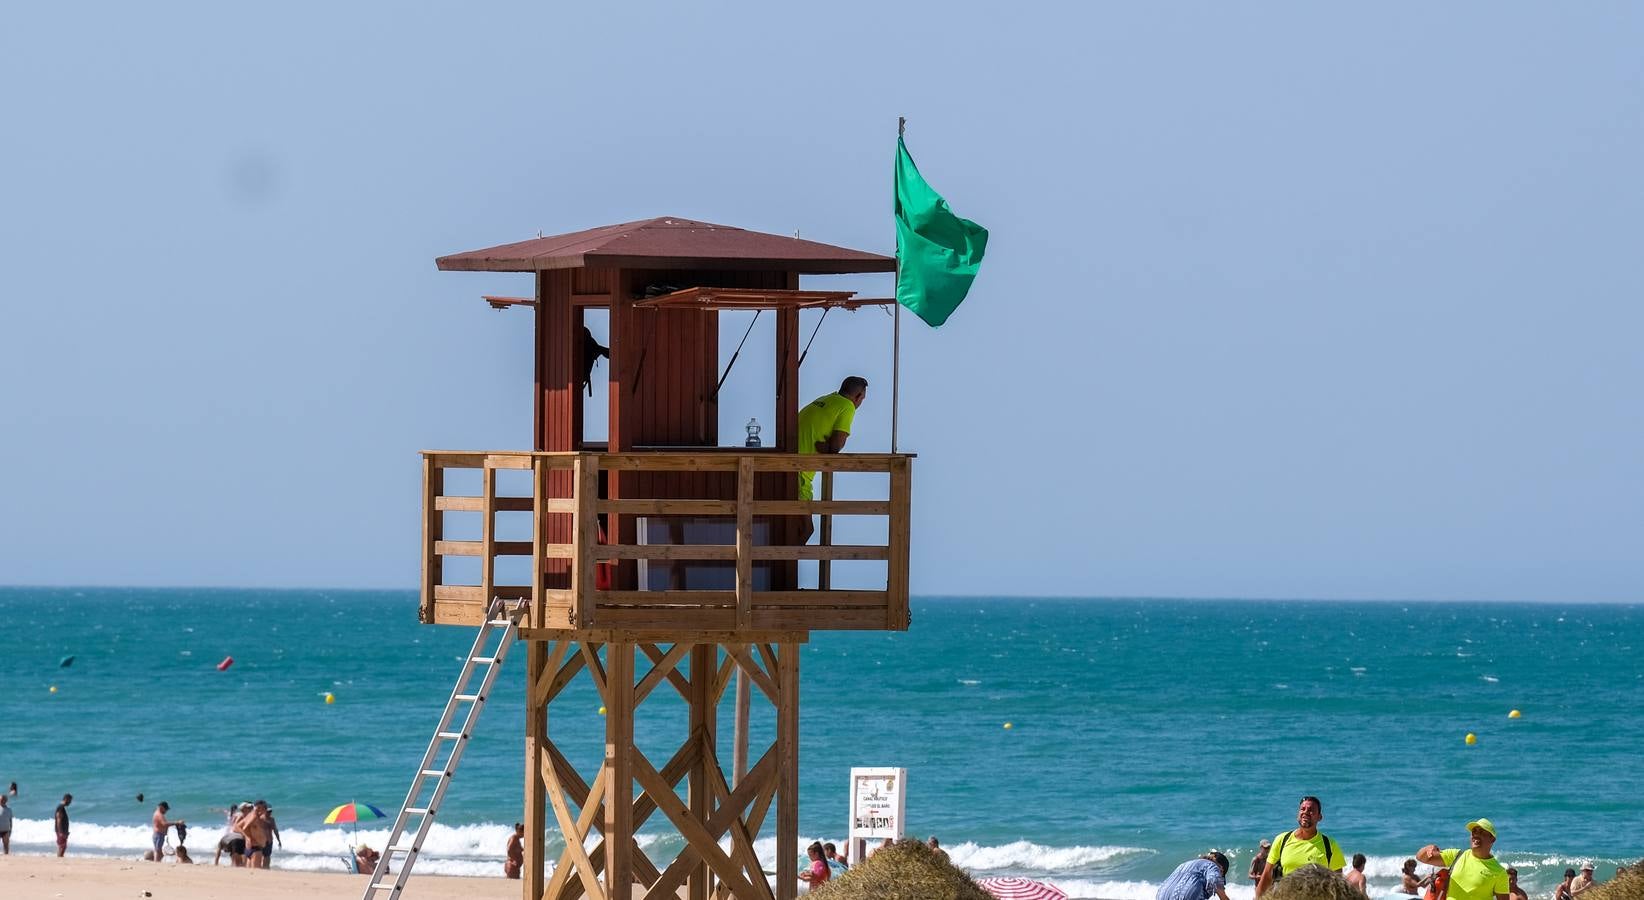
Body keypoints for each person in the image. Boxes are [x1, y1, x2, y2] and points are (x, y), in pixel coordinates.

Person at [795, 376, 868, 543]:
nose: (860, 403)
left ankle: (778, 564)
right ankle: (782, 568)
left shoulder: (825, 399)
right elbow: (835, 447)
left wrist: (825, 446)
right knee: (805, 530)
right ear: (857, 396)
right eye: (862, 398)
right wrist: (827, 446)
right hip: (799, 474)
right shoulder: (847, 406)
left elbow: (827, 445)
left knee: (792, 527)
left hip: (785, 465)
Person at [1255, 796, 1346, 898]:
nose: (1306, 812)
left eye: (1311, 810)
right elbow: (1267, 876)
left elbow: (1338, 884)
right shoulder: (1282, 840)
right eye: (1302, 809)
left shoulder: (1330, 845)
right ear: (1298, 814)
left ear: (1319, 817)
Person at [1416, 818, 1510, 900]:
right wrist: (1427, 848)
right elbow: (1421, 857)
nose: (1476, 835)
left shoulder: (1499, 872)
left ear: (1492, 839)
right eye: (1474, 831)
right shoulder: (1456, 856)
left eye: (1481, 832)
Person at [1157, 852, 1233, 900]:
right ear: (1221, 868)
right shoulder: (1212, 865)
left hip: (1161, 896)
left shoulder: (1184, 864)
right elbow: (1214, 879)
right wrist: (1224, 897)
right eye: (1221, 873)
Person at [236, 800, 273, 869]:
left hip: (251, 847)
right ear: (259, 808)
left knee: (250, 872)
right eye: (264, 808)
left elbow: (237, 826)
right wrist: (248, 837)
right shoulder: (254, 817)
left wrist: (247, 837)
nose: (265, 810)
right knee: (256, 872)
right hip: (255, 848)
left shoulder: (251, 815)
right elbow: (244, 828)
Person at [54, 793, 72, 857]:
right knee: (62, 846)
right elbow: (59, 820)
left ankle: (60, 857)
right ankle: (59, 859)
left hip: (62, 831)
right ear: (66, 799)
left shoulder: (61, 808)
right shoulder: (60, 808)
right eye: (70, 801)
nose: (70, 803)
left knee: (63, 846)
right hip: (61, 832)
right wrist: (61, 832)